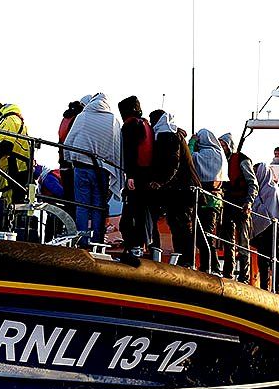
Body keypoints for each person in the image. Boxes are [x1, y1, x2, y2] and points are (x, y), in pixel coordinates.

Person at [63, 93, 123, 245]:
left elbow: (70, 141)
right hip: (102, 170)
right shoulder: (113, 120)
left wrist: (69, 158)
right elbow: (117, 147)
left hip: (81, 167)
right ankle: (97, 241)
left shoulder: (83, 116)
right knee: (98, 206)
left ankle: (82, 241)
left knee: (82, 206)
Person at [150, 111, 201, 266]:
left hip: (181, 191)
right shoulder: (174, 135)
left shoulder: (168, 136)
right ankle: (184, 260)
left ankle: (186, 261)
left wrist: (159, 181)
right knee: (178, 225)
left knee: (182, 227)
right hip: (180, 190)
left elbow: (173, 163)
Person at [117, 95, 154, 257]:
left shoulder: (130, 126)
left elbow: (130, 151)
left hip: (136, 175)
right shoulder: (146, 125)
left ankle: (134, 246)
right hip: (147, 176)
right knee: (141, 214)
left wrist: (130, 175)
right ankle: (143, 245)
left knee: (130, 216)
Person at [218, 133, 258, 282]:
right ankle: (228, 272)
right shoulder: (219, 160)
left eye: (223, 144)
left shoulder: (242, 160)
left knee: (243, 240)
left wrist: (249, 202)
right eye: (219, 144)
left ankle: (244, 275)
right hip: (227, 203)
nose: (221, 147)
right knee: (227, 240)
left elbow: (252, 183)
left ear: (229, 145)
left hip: (241, 204)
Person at [191, 129, 226, 275]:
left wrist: (192, 142)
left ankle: (211, 266)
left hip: (204, 200)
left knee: (202, 235)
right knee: (207, 235)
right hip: (216, 202)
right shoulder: (220, 155)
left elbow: (188, 157)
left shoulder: (201, 155)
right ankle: (210, 266)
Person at [0, 101, 32, 205]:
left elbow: (5, 146)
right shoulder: (5, 122)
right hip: (9, 170)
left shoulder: (10, 119)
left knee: (13, 204)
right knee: (7, 202)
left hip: (15, 168)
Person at [251, 162, 279, 292]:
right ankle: (264, 287)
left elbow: (267, 211)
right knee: (263, 260)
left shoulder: (272, 190)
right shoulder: (261, 189)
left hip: (273, 229)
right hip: (264, 230)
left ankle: (276, 288)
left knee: (275, 259)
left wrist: (255, 202)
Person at [57, 97, 88, 217]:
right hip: (73, 164)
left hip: (63, 163)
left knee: (69, 200)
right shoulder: (79, 119)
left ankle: (69, 229)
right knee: (77, 201)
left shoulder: (66, 118)